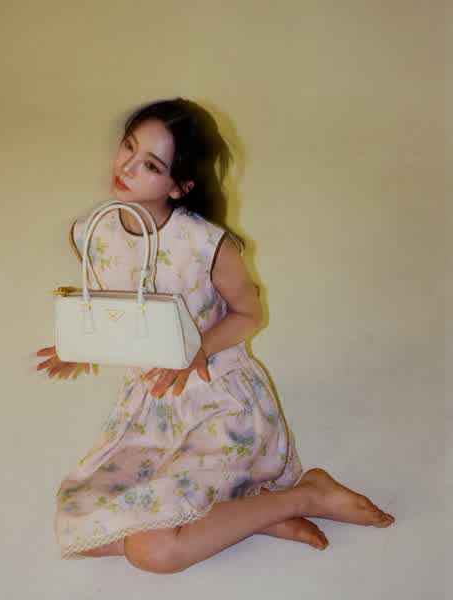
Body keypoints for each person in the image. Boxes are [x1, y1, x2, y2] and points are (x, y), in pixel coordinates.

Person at [36, 98, 395, 574]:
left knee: (154, 551)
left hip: (218, 404)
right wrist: (82, 346)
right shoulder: (94, 233)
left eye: (151, 165)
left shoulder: (205, 244)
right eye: (129, 146)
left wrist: (199, 348)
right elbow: (118, 307)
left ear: (180, 185)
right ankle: (254, 515)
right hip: (151, 411)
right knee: (81, 529)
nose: (127, 166)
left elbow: (249, 313)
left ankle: (307, 494)